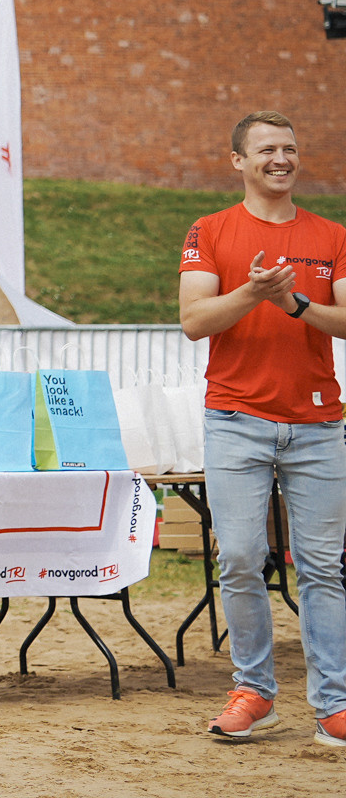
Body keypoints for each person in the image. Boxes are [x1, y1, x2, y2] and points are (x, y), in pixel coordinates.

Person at [178, 110, 346, 746]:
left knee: (322, 567)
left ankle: (333, 703)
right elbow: (195, 321)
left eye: (291, 148)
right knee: (242, 558)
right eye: (268, 149)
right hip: (235, 420)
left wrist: (296, 303)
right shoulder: (211, 230)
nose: (282, 158)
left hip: (317, 424)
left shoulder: (332, 234)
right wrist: (253, 293)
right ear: (238, 161)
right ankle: (255, 691)